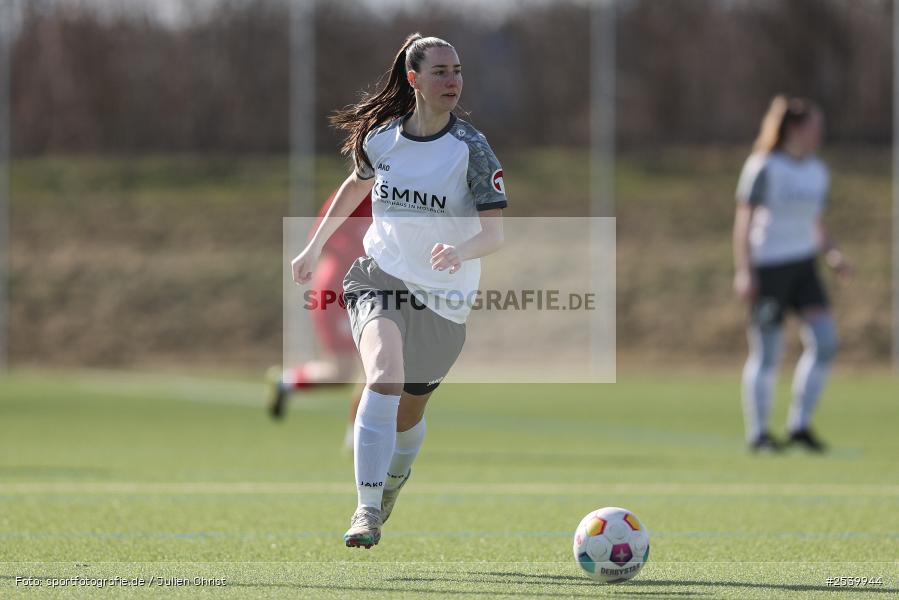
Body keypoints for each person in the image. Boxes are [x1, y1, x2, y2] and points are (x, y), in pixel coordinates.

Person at [290, 33, 506, 548]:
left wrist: (460, 252)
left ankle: (389, 487)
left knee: (409, 417)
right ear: (413, 79)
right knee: (383, 375)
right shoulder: (382, 138)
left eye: (456, 70)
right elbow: (356, 184)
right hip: (379, 277)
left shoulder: (471, 151)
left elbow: (495, 234)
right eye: (440, 71)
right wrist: (313, 246)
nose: (452, 80)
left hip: (443, 301)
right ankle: (365, 510)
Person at [733, 95, 852, 453]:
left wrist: (832, 252)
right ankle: (759, 434)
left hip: (804, 266)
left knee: (825, 342)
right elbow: (744, 221)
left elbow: (814, 220)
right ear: (796, 129)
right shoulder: (764, 166)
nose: (821, 134)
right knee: (768, 354)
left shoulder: (818, 171)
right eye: (816, 126)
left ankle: (799, 425)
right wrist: (744, 270)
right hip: (770, 267)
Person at [267, 190, 372, 451]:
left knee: (377, 366)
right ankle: (358, 436)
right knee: (344, 373)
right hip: (338, 290)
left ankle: (359, 435)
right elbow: (322, 238)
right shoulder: (352, 194)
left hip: (371, 290)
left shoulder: (398, 192)